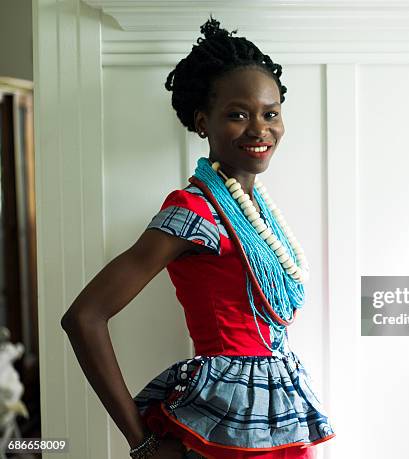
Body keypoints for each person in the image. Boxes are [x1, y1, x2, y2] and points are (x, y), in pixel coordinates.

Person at [60, 15, 335, 459]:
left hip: (279, 417)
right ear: (203, 122)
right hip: (226, 426)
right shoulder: (194, 209)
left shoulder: (257, 206)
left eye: (271, 114)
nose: (259, 129)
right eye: (238, 114)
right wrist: (143, 445)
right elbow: (84, 317)